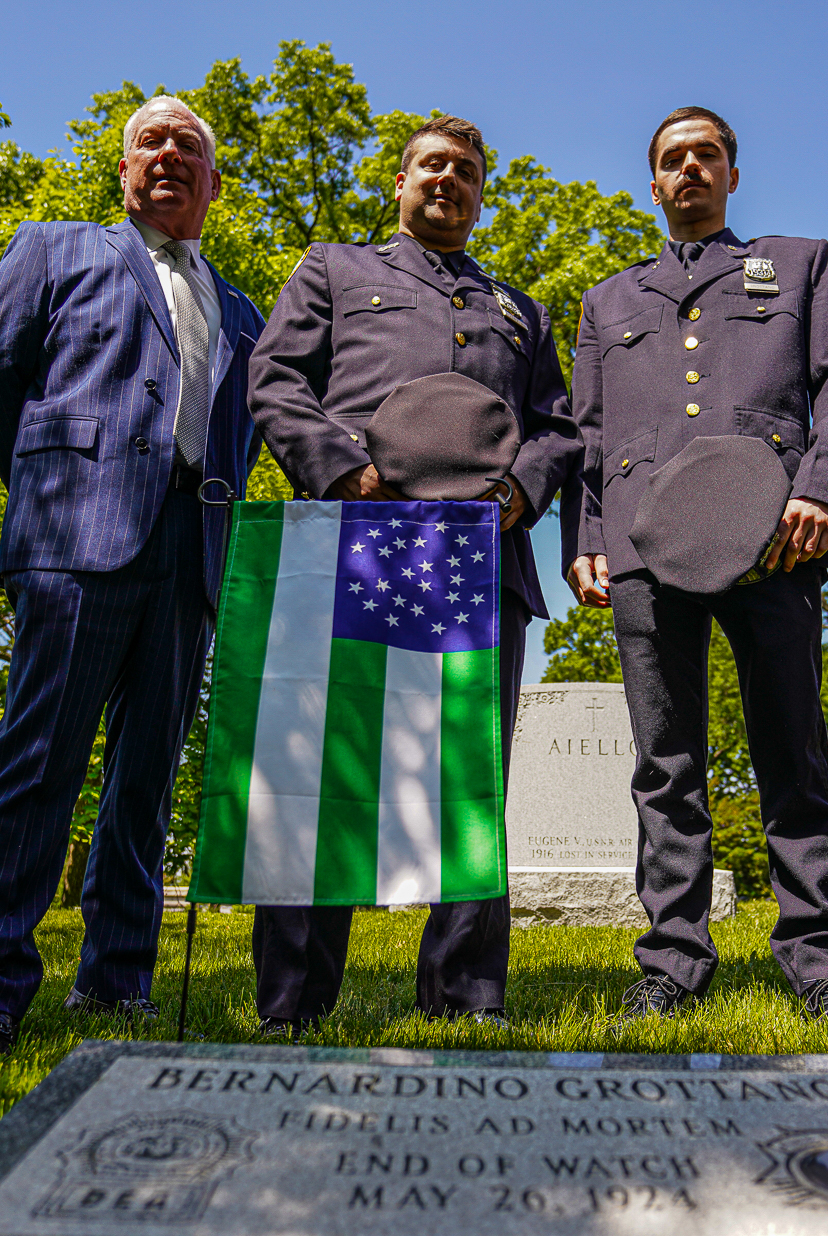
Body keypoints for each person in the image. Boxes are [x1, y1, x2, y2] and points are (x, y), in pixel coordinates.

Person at [0, 96, 264, 1061]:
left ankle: (117, 980)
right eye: (149, 145)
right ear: (123, 172)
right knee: (38, 757)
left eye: (189, 148)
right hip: (75, 536)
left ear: (214, 181)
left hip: (190, 553)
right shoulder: (54, 249)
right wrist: (57, 478)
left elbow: (246, 436)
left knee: (146, 779)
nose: (167, 156)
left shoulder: (241, 309)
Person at [245, 115, 580, 1033]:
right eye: (433, 166)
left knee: (468, 783)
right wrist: (339, 473)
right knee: (323, 777)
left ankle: (466, 998)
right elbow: (274, 379)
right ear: (399, 183)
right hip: (356, 536)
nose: (450, 180)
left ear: (480, 193)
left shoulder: (521, 310)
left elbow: (558, 427)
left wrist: (521, 491)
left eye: (467, 171)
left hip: (481, 552)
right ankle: (294, 1003)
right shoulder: (334, 269)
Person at [567, 107, 828, 1033]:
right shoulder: (607, 298)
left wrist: (821, 489)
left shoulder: (802, 261)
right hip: (643, 543)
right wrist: (587, 536)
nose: (691, 167)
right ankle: (672, 959)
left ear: (731, 175)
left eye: (707, 154)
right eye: (672, 159)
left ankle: (820, 958)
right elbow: (587, 432)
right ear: (653, 186)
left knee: (793, 748)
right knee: (665, 763)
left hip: (771, 535)